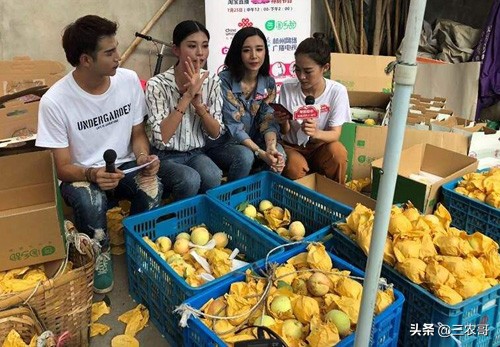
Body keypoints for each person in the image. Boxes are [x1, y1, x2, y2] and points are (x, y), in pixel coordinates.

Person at [36, 15, 163, 294]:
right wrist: (93, 174)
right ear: (85, 60)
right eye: (110, 52)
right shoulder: (55, 102)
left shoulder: (128, 81)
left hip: (126, 165)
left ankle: (138, 244)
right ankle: (100, 253)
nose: (119, 57)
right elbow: (63, 167)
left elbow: (138, 133)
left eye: (116, 48)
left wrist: (143, 157)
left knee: (153, 187)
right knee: (89, 199)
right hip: (81, 174)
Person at [146, 20, 225, 199]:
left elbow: (215, 133)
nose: (200, 53)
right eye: (192, 46)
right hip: (164, 156)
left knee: (213, 175)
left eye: (205, 46)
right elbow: (161, 139)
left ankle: (204, 221)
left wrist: (199, 106)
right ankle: (178, 220)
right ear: (176, 50)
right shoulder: (157, 85)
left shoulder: (212, 81)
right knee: (189, 179)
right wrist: (187, 96)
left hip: (196, 152)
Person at [206, 26, 285, 175]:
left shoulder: (268, 83)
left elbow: (267, 120)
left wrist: (271, 147)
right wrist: (260, 152)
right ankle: (234, 196)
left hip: (255, 142)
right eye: (246, 50)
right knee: (245, 156)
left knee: (279, 154)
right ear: (238, 53)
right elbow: (233, 126)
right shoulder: (224, 81)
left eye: (259, 49)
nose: (254, 56)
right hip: (224, 145)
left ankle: (263, 195)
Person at [277, 34, 350, 183]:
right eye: (297, 70)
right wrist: (282, 122)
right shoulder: (287, 88)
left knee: (337, 152)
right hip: (293, 147)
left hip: (320, 147)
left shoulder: (337, 91)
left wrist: (316, 133)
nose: (301, 76)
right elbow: (284, 132)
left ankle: (336, 196)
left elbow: (335, 134)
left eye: (308, 71)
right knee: (295, 167)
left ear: (325, 68)